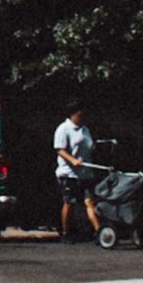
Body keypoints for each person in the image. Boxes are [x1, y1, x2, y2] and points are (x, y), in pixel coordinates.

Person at [53, 100, 102, 242]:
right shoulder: (64, 129)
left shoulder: (85, 129)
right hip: (69, 173)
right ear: (73, 114)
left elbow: (89, 147)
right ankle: (66, 233)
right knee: (69, 202)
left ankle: (100, 232)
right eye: (80, 114)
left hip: (85, 173)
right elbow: (59, 149)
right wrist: (73, 160)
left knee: (89, 202)